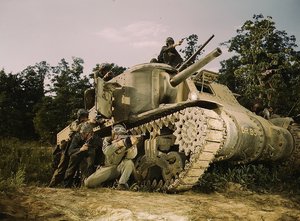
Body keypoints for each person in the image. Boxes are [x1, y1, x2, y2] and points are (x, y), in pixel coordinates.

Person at [84, 124, 138, 190]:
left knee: (129, 162)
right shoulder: (107, 140)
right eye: (117, 135)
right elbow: (106, 151)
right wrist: (118, 144)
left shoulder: (127, 141)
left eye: (121, 135)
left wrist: (131, 146)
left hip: (119, 167)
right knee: (88, 183)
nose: (119, 137)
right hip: (108, 168)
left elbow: (132, 156)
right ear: (113, 134)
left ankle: (122, 184)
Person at [48, 108, 89, 187]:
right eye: (83, 116)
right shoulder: (75, 123)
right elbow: (76, 128)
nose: (84, 118)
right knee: (62, 168)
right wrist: (86, 123)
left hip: (76, 148)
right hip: (68, 147)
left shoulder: (85, 124)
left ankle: (67, 186)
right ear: (79, 117)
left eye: (85, 116)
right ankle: (51, 186)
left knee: (72, 168)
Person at [63, 122, 98, 188]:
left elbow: (98, 146)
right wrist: (80, 149)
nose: (83, 135)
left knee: (89, 164)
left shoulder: (95, 138)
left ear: (90, 133)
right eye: (82, 133)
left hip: (88, 153)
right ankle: (67, 186)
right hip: (77, 153)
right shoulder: (77, 137)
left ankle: (86, 185)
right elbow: (70, 151)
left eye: (85, 134)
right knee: (72, 163)